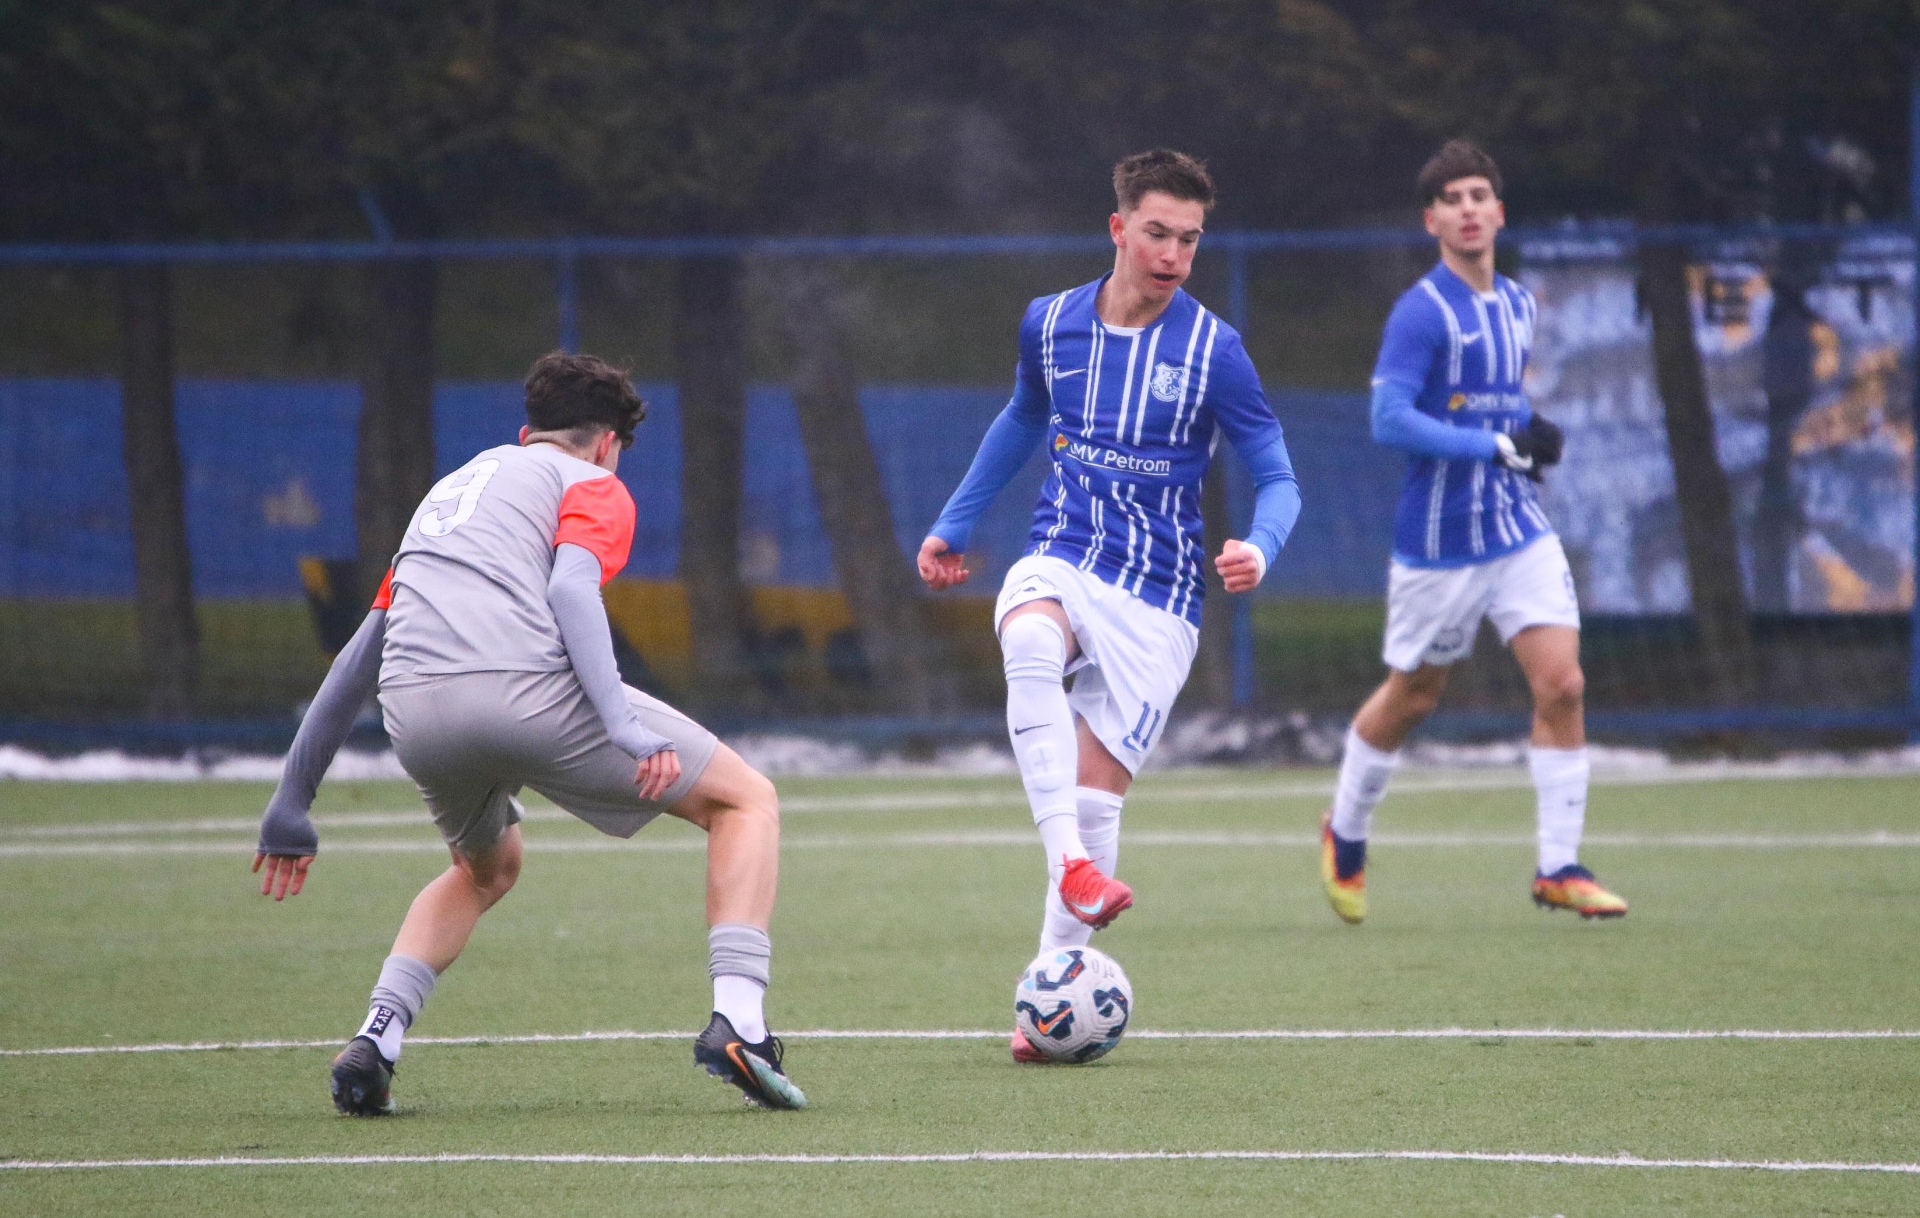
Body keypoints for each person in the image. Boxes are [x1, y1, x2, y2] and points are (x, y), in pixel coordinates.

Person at [251, 352, 806, 1113]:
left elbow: (358, 657)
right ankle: (740, 1023)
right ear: (607, 442)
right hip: (520, 691)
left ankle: (377, 1037)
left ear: (527, 433)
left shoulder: (448, 496)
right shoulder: (591, 481)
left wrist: (292, 798)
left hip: (412, 709)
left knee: (484, 868)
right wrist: (621, 724)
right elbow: (572, 588)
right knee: (745, 800)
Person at [918, 149, 1302, 1063]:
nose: (1173, 255)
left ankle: (1046, 1002)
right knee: (1029, 639)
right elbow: (1022, 415)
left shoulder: (1215, 351)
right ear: (1119, 228)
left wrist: (1259, 545)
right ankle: (1072, 870)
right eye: (1158, 233)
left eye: (1191, 240)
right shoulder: (1049, 322)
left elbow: (1279, 475)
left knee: (1095, 799)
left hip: (1160, 598)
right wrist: (954, 523)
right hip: (1064, 553)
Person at [1319, 139, 1627, 925]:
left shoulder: (1519, 304)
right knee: (1414, 695)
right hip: (1440, 541)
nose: (1466, 209)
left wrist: (1529, 431)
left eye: (1478, 196)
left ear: (1499, 212)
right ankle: (1344, 830)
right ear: (1432, 220)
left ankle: (1558, 867)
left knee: (1563, 684)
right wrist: (1494, 444)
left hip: (1517, 526)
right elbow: (1389, 419)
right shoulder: (1421, 312)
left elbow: (1494, 402)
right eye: (1451, 199)